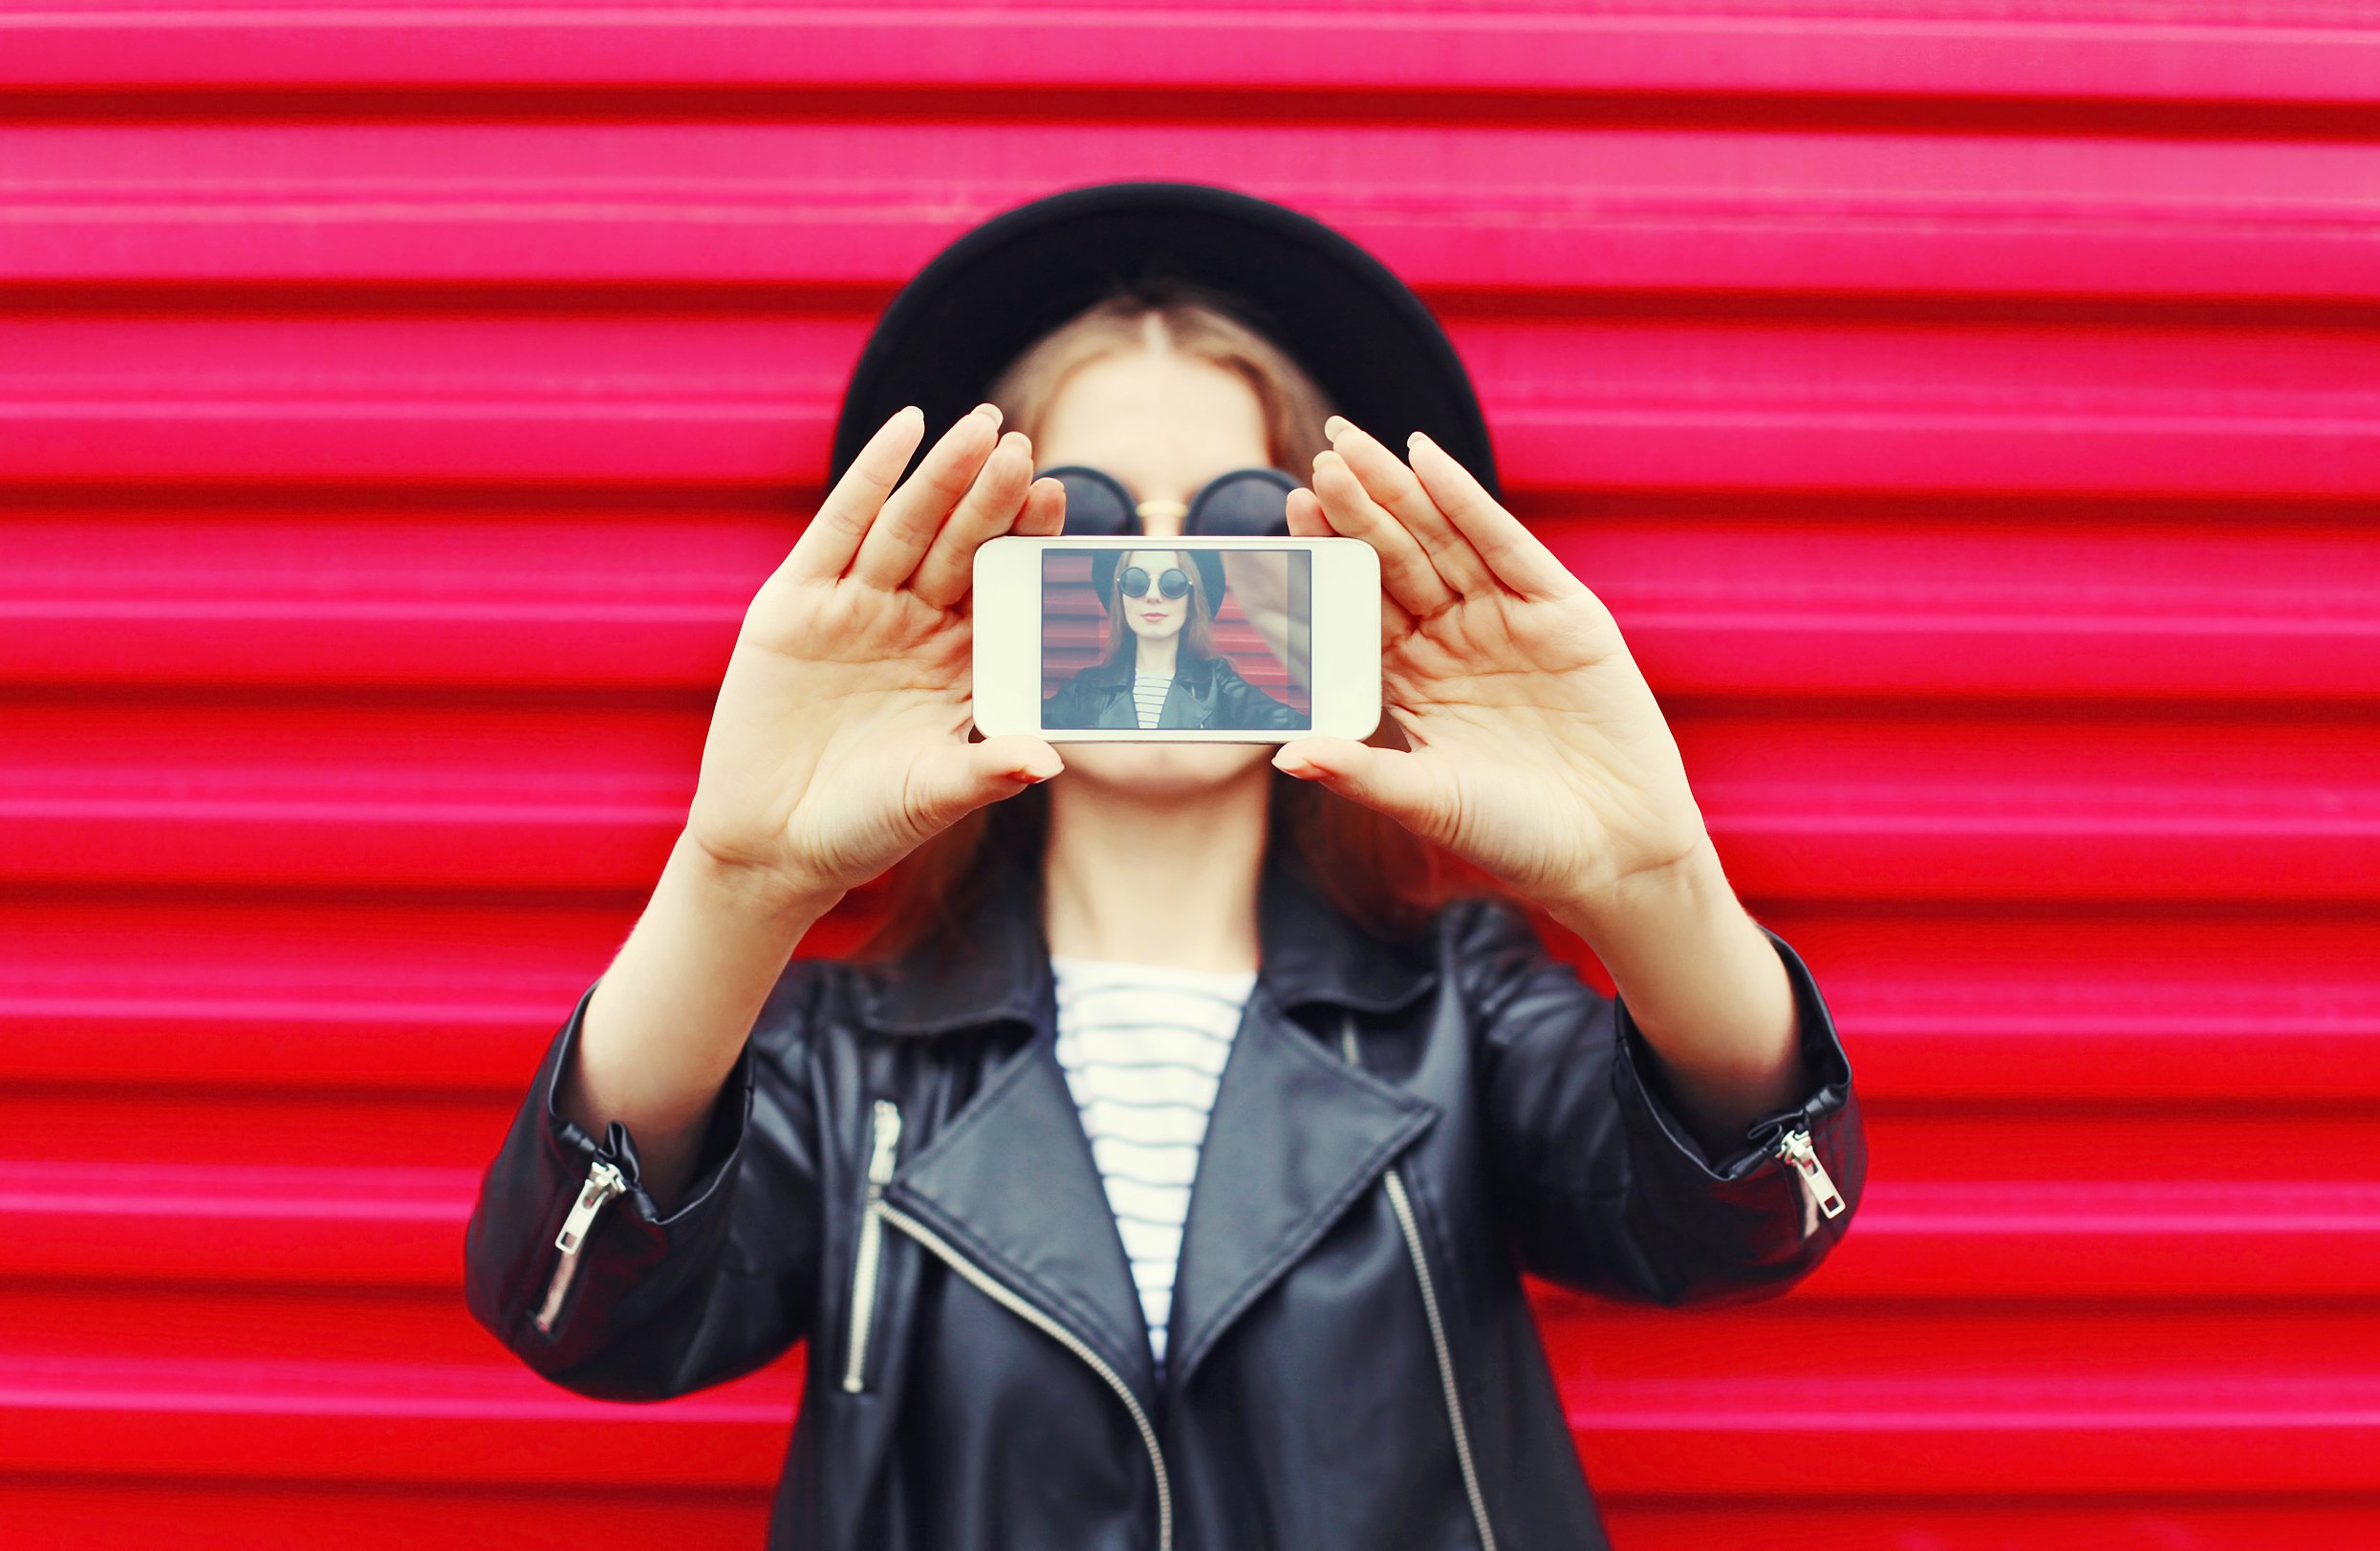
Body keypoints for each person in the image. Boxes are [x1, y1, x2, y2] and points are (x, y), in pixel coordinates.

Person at [464, 183, 1864, 1551]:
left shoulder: (1461, 1005)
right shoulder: (839, 1053)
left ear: (1331, 571)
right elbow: (582, 1318)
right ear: (979, 566)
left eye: (1237, 519)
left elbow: (1737, 1226)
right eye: (1077, 512)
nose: (1159, 574)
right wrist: (732, 878)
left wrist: (1654, 878)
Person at [1041, 546, 1304, 731]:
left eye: (1173, 583)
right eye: (1135, 581)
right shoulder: (1085, 691)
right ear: (1120, 597)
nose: (1153, 596)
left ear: (1192, 598)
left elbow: (1300, 726)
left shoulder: (1221, 687)